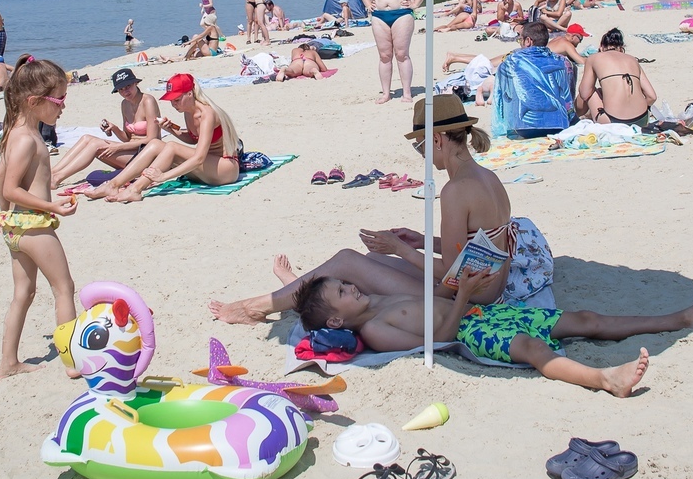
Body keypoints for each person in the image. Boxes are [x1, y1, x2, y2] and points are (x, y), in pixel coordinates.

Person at [210, 95, 557, 324]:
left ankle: (255, 307)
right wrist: (422, 240)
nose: (422, 155)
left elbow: (451, 274)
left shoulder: (456, 191)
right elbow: (475, 246)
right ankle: (297, 287)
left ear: (437, 139)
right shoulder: (485, 176)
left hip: (466, 298)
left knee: (349, 261)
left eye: (421, 147)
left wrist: (402, 250)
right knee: (367, 262)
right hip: (490, 284)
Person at [293, 272, 693, 394]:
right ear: (335, 322)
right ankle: (605, 380)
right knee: (534, 350)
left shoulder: (380, 302)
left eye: (345, 283)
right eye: (342, 292)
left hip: (482, 311)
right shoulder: (377, 329)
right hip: (472, 332)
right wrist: (463, 298)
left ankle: (683, 318)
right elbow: (439, 337)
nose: (352, 286)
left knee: (585, 319)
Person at [0, 56, 77, 378]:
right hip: (34, 226)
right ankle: (73, 363)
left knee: (23, 294)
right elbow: (12, 187)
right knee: (64, 288)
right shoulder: (27, 139)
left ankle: (9, 363)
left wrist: (4, 213)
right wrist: (52, 207)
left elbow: (0, 179)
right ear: (34, 101)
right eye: (59, 100)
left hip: (15, 226)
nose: (63, 106)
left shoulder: (13, 131)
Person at [87, 73, 240, 201]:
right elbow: (194, 140)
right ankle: (113, 185)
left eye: (177, 99)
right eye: (171, 100)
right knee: (155, 143)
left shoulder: (207, 114)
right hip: (208, 166)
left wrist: (164, 176)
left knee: (171, 146)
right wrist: (172, 129)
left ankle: (135, 189)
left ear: (190, 93)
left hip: (225, 169)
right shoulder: (188, 111)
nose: (174, 104)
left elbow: (199, 158)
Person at [50, 67, 162, 186]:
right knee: (86, 138)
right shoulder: (125, 104)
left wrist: (119, 148)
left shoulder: (148, 101)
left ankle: (58, 178)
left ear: (135, 83)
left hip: (147, 156)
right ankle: (53, 173)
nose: (125, 92)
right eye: (121, 89)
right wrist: (114, 128)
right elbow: (128, 138)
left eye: (128, 86)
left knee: (95, 145)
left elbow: (152, 139)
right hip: (131, 152)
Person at [359, 0, 428, 104]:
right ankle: (386, 94)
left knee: (402, 54)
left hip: (401, 14)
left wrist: (416, 4)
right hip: (379, 16)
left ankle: (407, 93)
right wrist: (368, 4)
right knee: (384, 56)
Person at [578, 28, 657, 127]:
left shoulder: (593, 58)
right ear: (621, 48)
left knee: (589, 89)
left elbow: (584, 94)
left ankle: (574, 117)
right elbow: (652, 96)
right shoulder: (633, 60)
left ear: (601, 47)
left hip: (612, 121)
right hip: (641, 120)